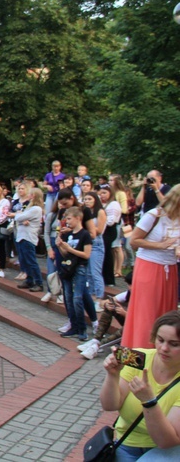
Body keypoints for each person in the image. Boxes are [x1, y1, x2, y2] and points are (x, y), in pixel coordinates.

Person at [98, 310, 180, 461]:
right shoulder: (137, 358)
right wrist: (112, 376)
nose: (164, 348)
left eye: (174, 344)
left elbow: (167, 441)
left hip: (166, 451)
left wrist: (149, 402)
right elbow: (110, 405)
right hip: (126, 443)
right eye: (160, 340)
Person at [123, 185, 180, 349]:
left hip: (170, 268)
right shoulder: (154, 215)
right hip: (149, 266)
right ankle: (142, 353)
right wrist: (161, 245)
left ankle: (162, 353)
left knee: (167, 313)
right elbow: (134, 240)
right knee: (147, 314)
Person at [56, 207, 93, 341]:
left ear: (78, 218)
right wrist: (60, 246)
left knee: (77, 298)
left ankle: (82, 328)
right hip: (68, 267)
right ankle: (74, 325)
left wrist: (69, 248)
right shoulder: (68, 234)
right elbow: (66, 254)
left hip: (80, 267)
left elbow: (86, 254)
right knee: (68, 297)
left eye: (69, 219)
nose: (67, 222)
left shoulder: (85, 235)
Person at [14, 188, 45, 292]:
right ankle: (29, 280)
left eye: (30, 194)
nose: (28, 196)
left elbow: (18, 217)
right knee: (24, 260)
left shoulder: (36, 209)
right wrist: (22, 218)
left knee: (31, 261)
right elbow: (21, 218)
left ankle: (39, 282)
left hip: (28, 237)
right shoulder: (29, 208)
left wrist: (20, 215)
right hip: (22, 236)